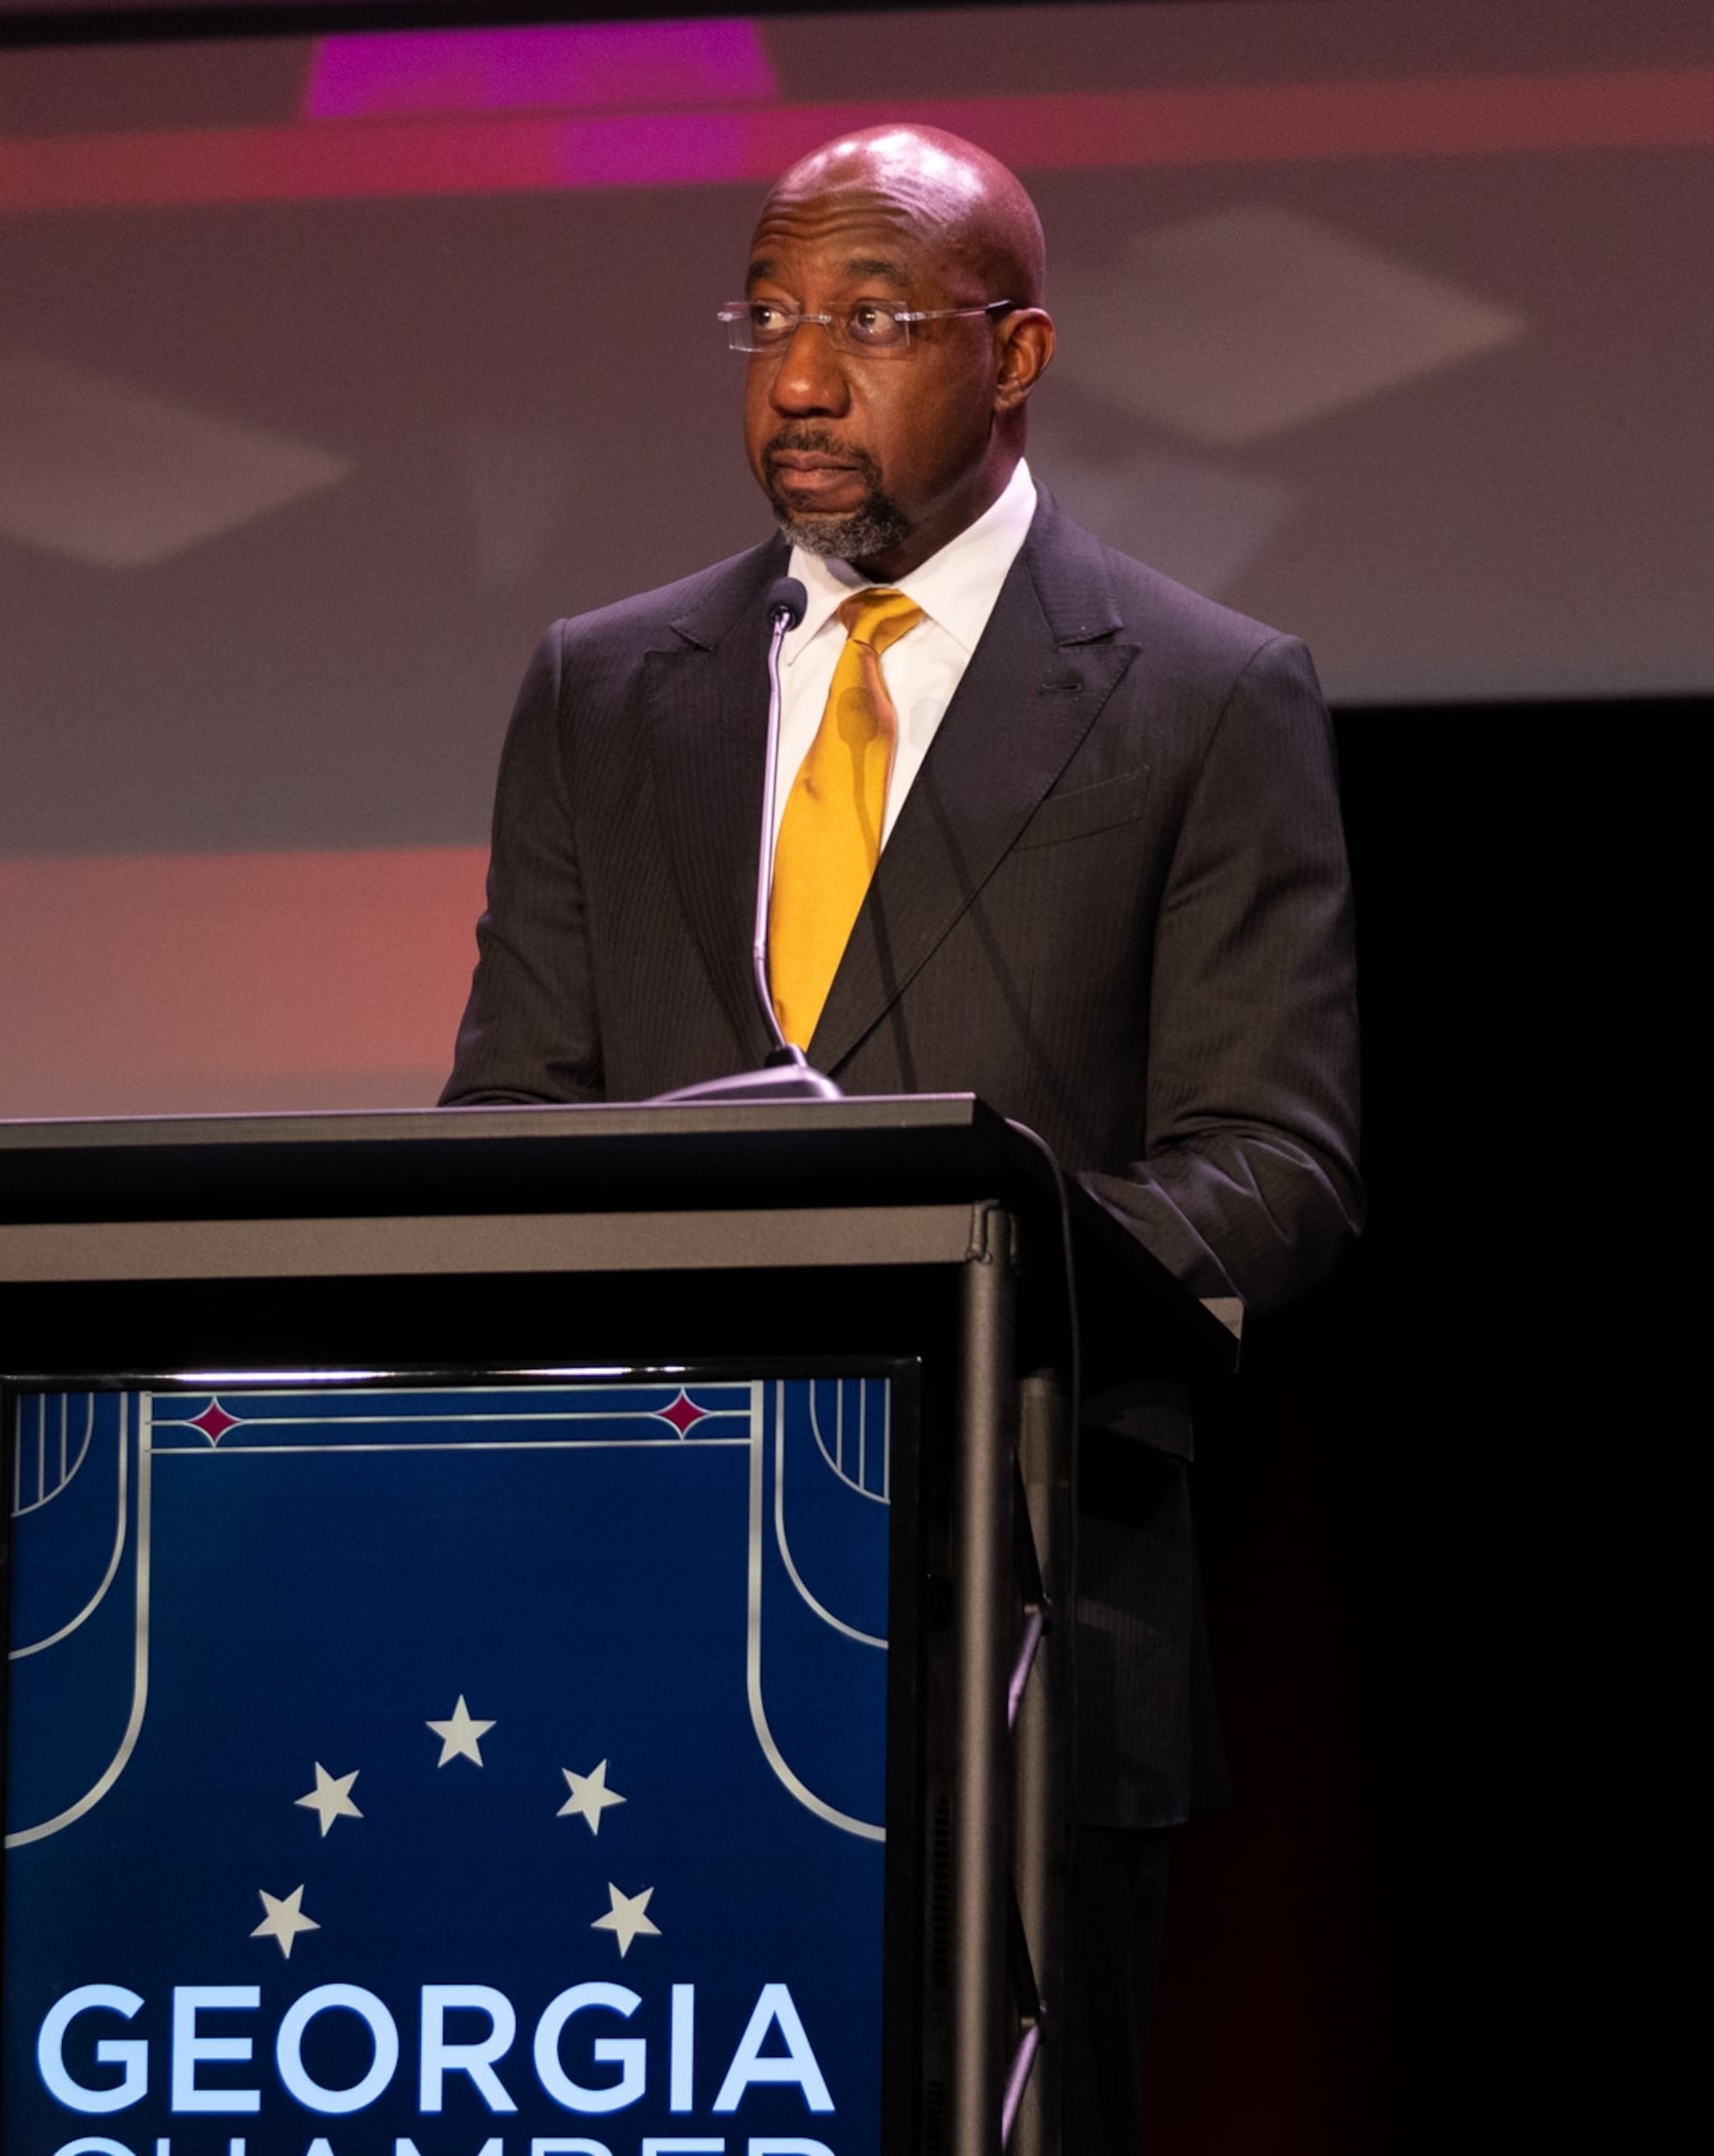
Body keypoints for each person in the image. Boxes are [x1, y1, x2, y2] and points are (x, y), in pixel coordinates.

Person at [440, 124, 1362, 2152]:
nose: (796, 377)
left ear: (1016, 352)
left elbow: (1274, 1165)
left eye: (870, 320)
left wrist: (972, 1260)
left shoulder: (1204, 698)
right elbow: (509, 1118)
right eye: (769, 316)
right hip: (635, 1611)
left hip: (1018, 1616)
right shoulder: (605, 691)